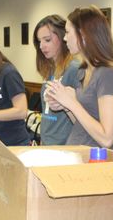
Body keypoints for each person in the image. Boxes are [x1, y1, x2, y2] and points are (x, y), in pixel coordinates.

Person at [44, 5, 113, 148]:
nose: (64, 38)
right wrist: (65, 105)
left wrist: (72, 103)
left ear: (82, 34)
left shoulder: (107, 74)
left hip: (94, 160)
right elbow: (82, 124)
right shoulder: (83, 71)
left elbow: (106, 138)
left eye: (67, 32)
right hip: (77, 151)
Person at [33, 15, 81, 145]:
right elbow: (46, 116)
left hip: (65, 146)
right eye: (39, 41)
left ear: (62, 37)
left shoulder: (74, 69)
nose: (42, 46)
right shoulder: (50, 70)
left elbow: (82, 118)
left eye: (47, 40)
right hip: (47, 145)